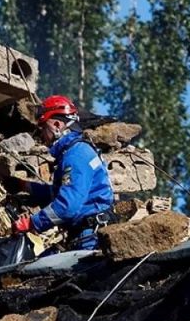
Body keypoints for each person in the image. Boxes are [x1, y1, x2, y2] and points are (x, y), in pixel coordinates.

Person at [10, 94, 114, 250]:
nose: (41, 136)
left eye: (43, 128)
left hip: (90, 238)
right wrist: (25, 186)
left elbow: (67, 206)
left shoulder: (75, 155)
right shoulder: (77, 150)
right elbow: (59, 193)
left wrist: (32, 223)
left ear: (57, 125)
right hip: (88, 232)